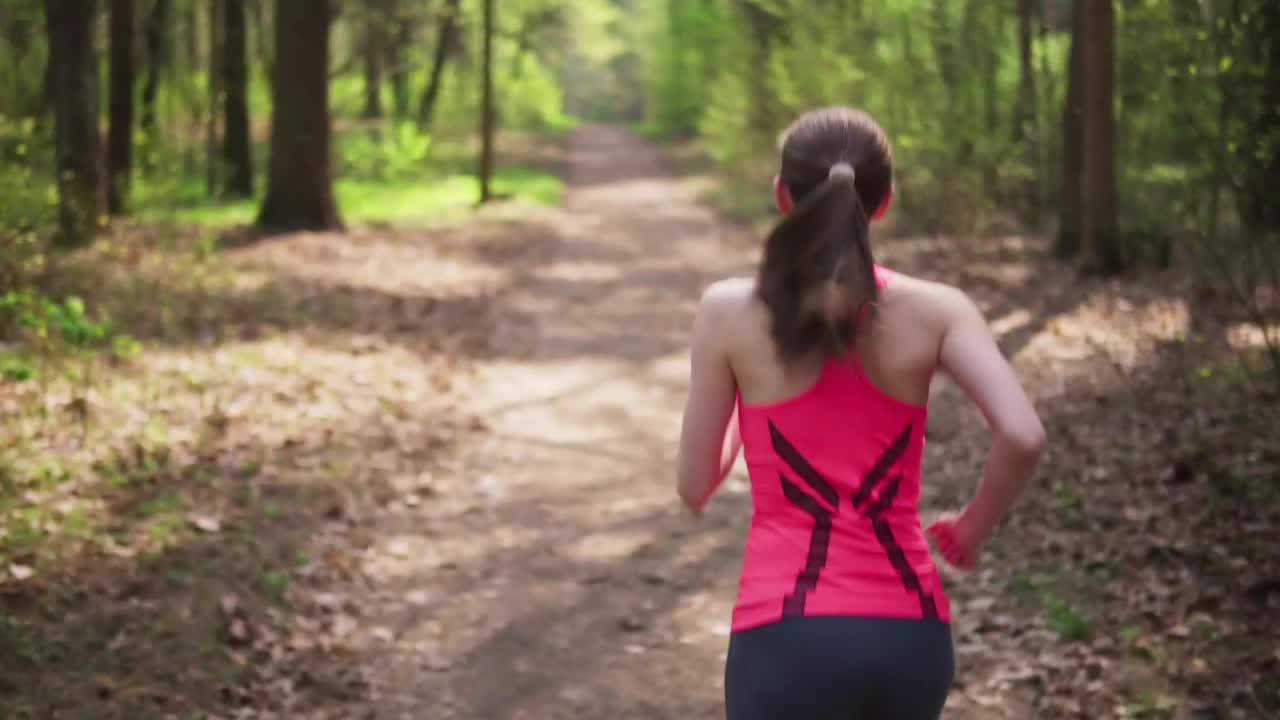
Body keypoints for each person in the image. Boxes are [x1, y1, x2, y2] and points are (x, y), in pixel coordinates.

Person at [674, 107, 1046, 720]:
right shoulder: (939, 310)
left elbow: (694, 486)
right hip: (910, 636)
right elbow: (1024, 436)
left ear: (782, 196)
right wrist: (970, 528)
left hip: (784, 637)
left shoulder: (727, 312)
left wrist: (747, 420)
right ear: (883, 202)